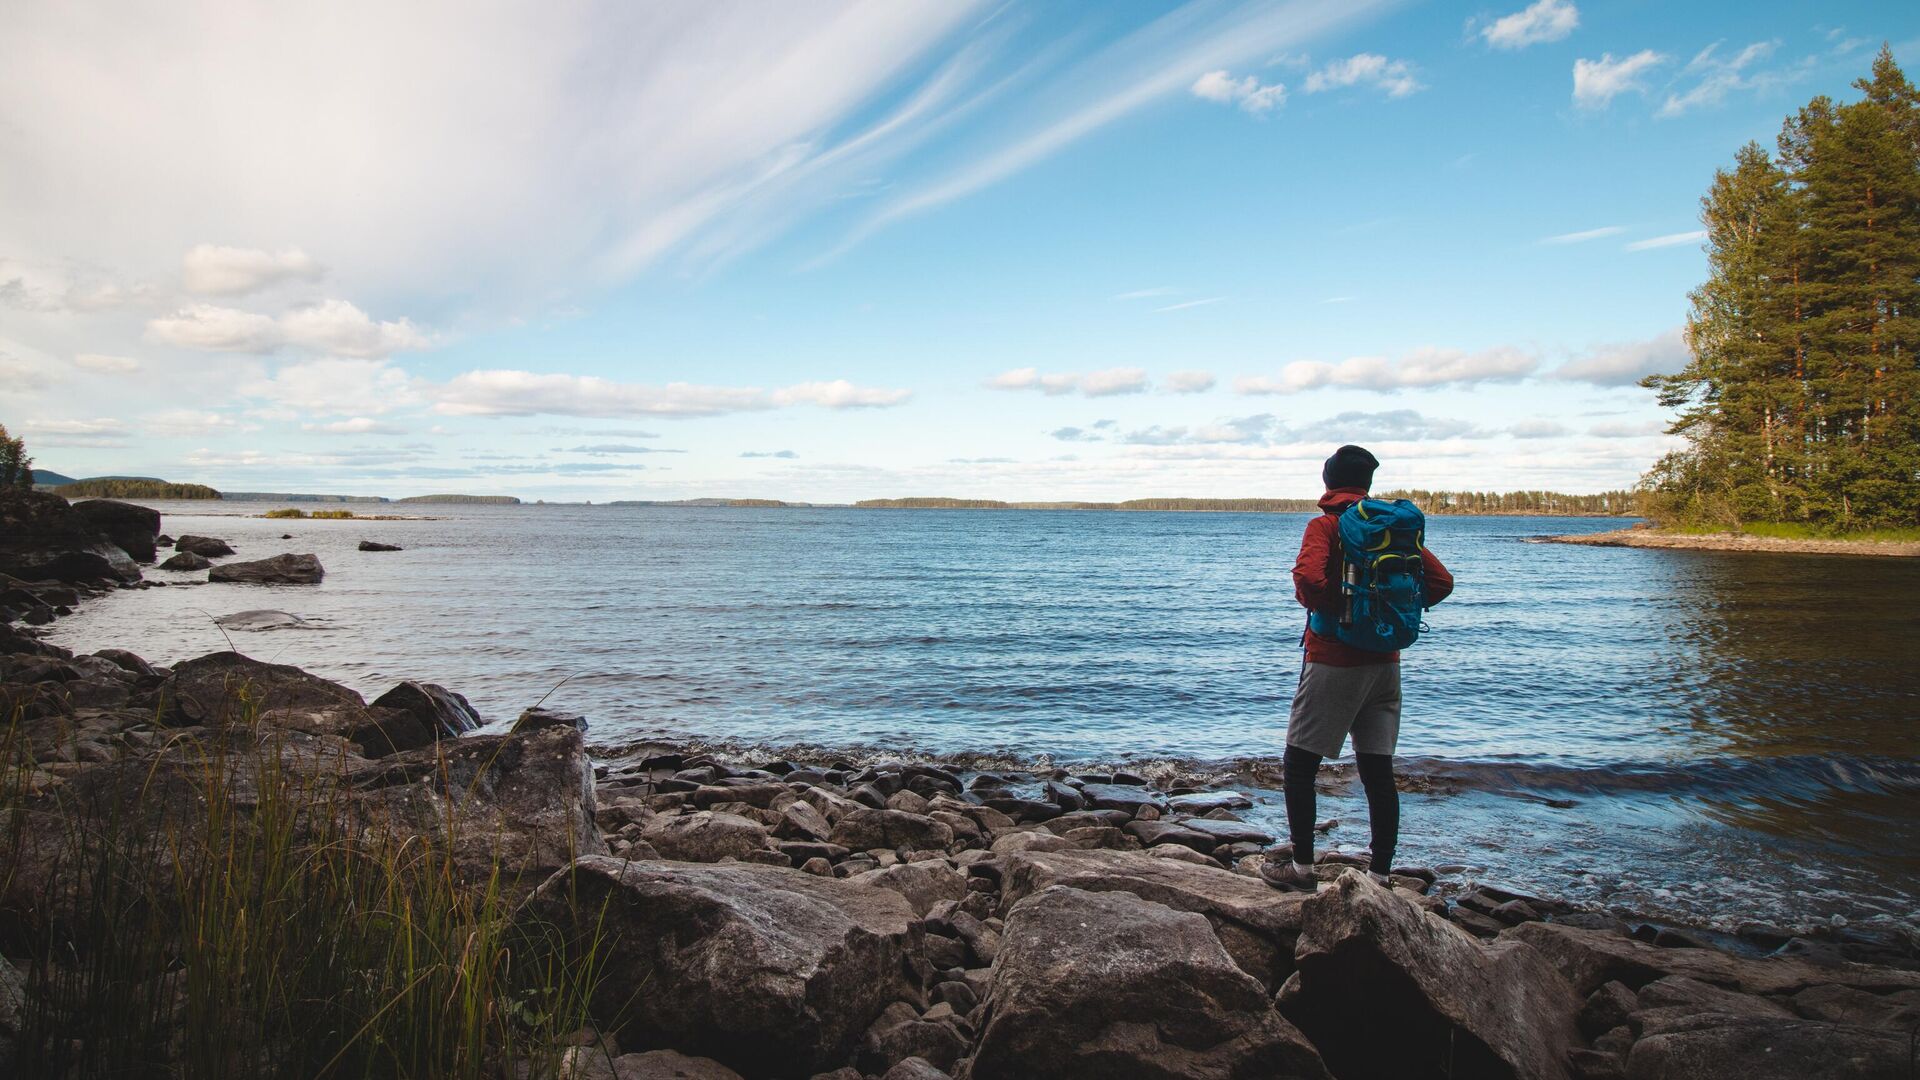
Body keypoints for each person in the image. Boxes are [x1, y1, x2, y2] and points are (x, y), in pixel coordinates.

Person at [1262, 444, 1453, 890]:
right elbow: (1441, 583)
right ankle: (1380, 875)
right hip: (1386, 665)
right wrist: (1389, 612)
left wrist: (1338, 612)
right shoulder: (1390, 531)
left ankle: (1302, 870)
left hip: (1334, 659)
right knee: (1377, 771)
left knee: (1299, 764)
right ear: (1367, 483)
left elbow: (1309, 579)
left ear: (1327, 481)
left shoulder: (1327, 525)